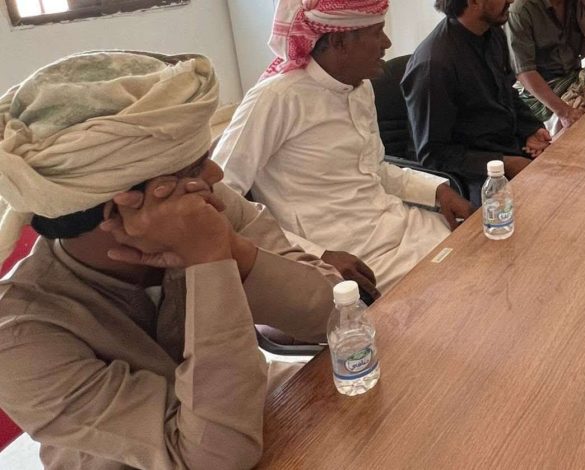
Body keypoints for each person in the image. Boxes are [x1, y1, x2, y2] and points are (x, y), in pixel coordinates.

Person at [0, 51, 341, 469]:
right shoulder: (19, 336)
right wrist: (208, 263)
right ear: (117, 209)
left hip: (257, 414)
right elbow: (214, 456)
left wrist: (230, 251)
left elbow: (335, 315)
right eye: (194, 167)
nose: (215, 176)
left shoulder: (202, 209)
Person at [214, 0, 474, 296]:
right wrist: (316, 255)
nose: (386, 43)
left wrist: (437, 191)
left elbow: (374, 170)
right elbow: (221, 199)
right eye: (377, 33)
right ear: (339, 42)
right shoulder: (277, 98)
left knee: (484, 255)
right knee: (457, 296)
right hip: (350, 258)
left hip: (400, 227)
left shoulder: (360, 87)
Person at [401, 0, 551, 206]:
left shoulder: (493, 34)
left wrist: (531, 130)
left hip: (506, 149)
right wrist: (505, 163)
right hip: (469, 174)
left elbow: (507, 93)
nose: (511, 1)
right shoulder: (434, 64)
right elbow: (433, 154)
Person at [506, 0, 585, 130]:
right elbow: (524, 72)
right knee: (579, 115)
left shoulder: (580, 3)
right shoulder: (520, 10)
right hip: (539, 90)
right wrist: (565, 112)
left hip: (572, 77)